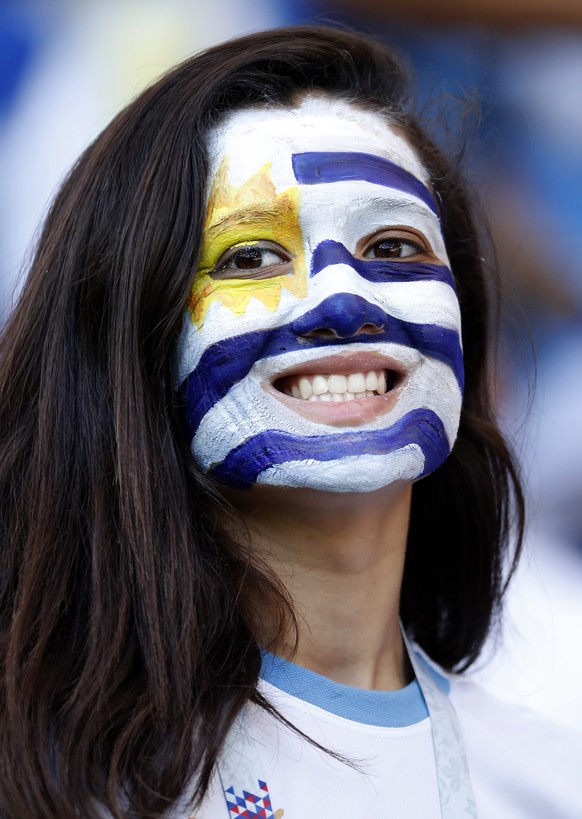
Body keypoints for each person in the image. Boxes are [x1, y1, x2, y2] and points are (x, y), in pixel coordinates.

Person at [0, 26, 580, 819]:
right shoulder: (46, 772)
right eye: (251, 257)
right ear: (135, 336)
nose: (344, 300)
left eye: (393, 246)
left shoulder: (554, 776)